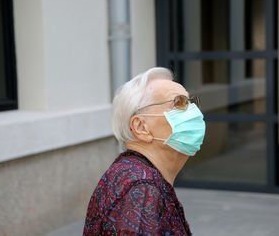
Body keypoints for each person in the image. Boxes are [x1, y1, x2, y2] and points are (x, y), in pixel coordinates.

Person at [83, 67, 206, 235]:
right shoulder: (141, 190)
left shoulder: (136, 175)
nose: (193, 112)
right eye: (179, 103)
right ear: (141, 127)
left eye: (191, 102)